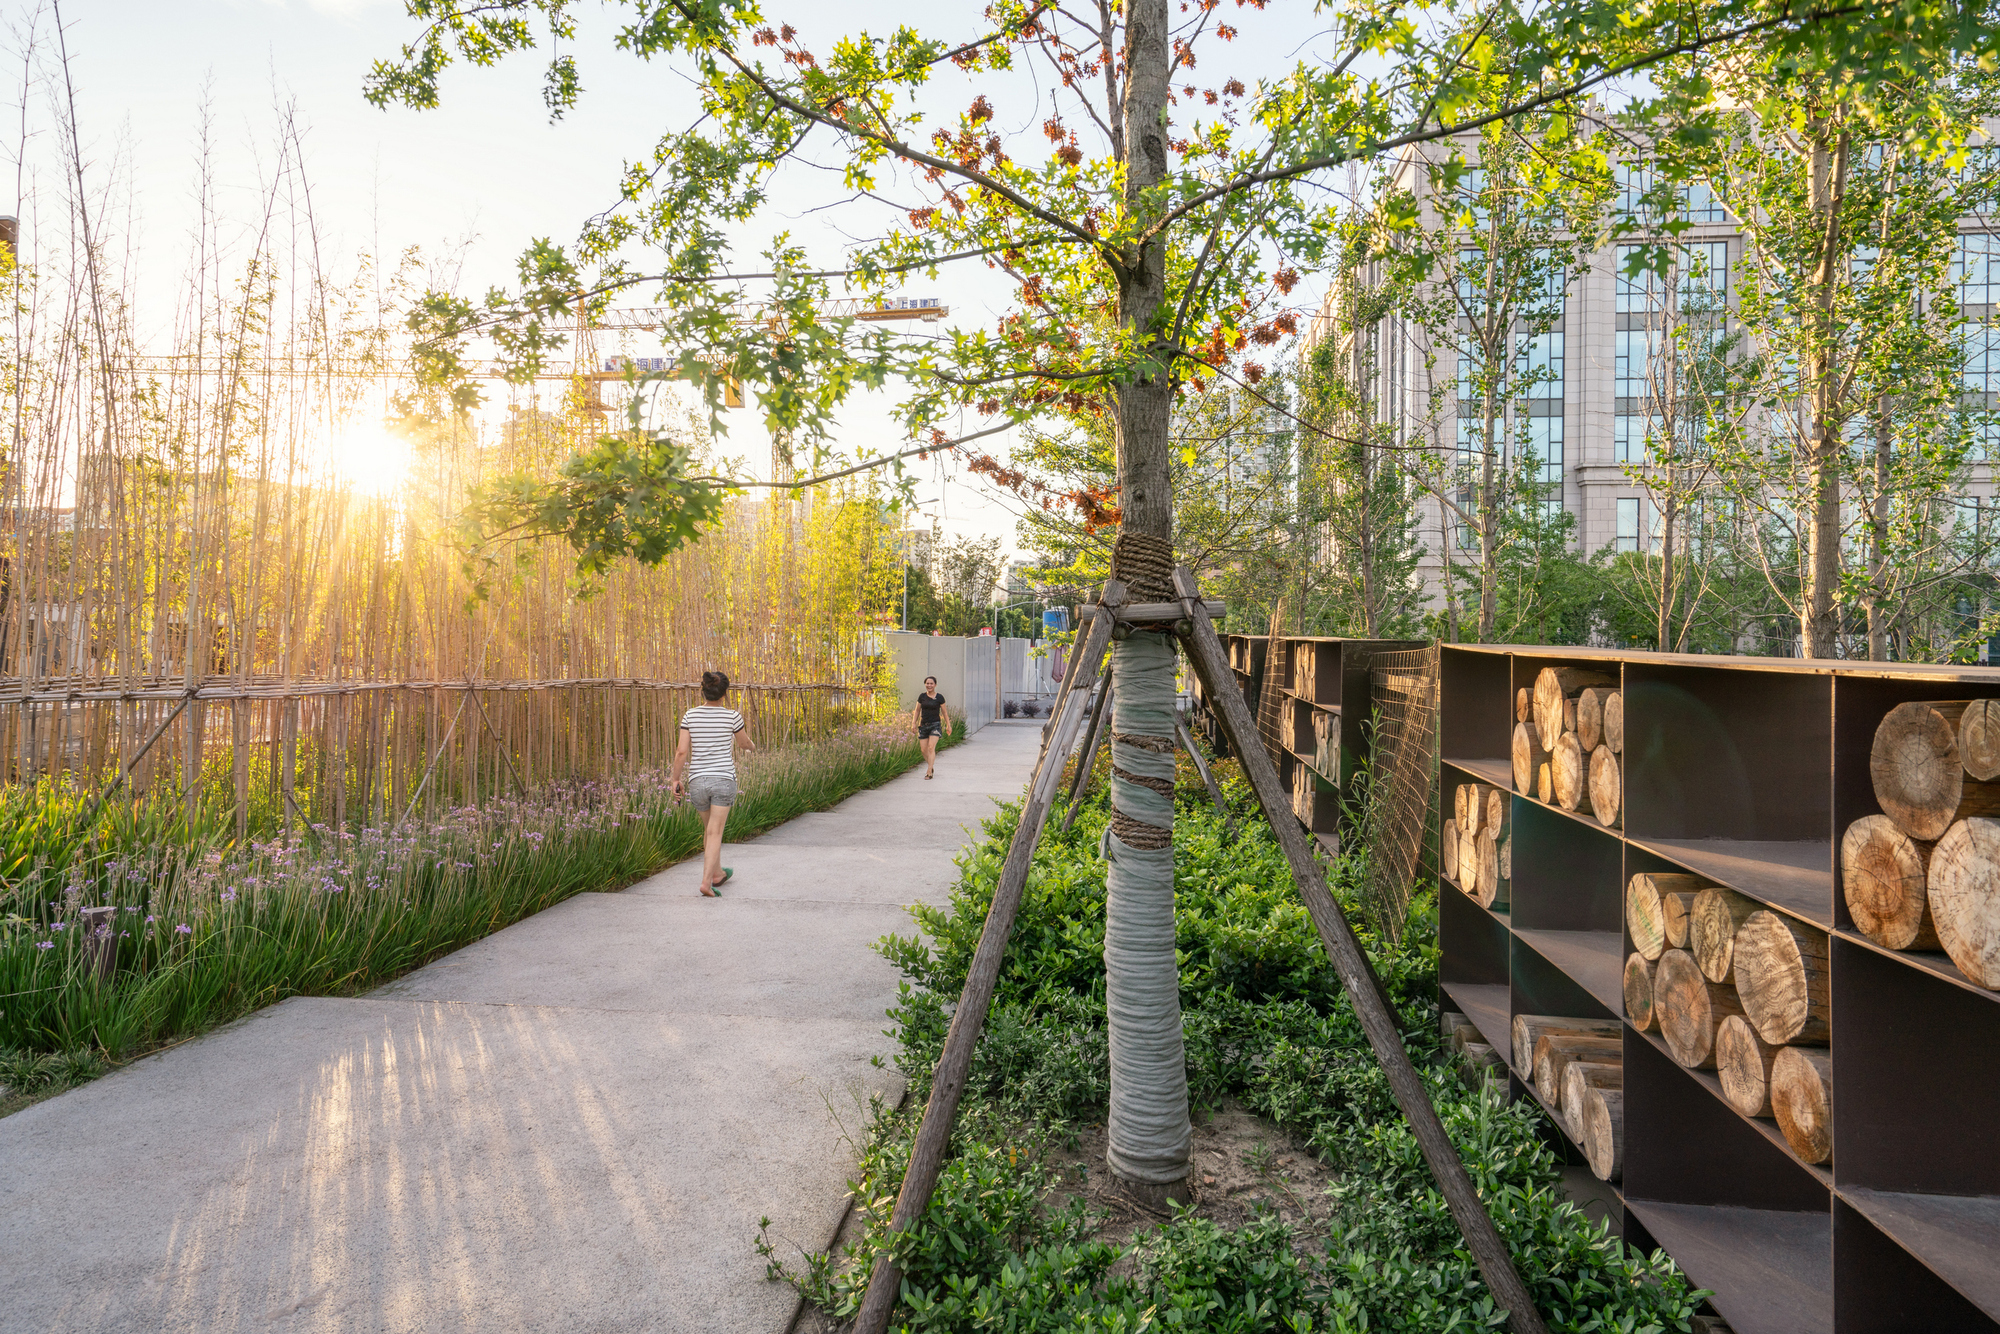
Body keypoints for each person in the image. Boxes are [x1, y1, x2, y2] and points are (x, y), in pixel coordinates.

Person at [671, 670, 753, 896]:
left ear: (703, 690)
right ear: (724, 694)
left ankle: (717, 873)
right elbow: (744, 743)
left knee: (709, 831)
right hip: (723, 779)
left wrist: (675, 779)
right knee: (715, 832)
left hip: (697, 781)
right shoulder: (732, 716)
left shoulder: (690, 716)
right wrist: (752, 747)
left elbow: (681, 752)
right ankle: (706, 882)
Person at [911, 675, 950, 779]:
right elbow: (917, 711)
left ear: (935, 685)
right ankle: (931, 765)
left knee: (931, 747)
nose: (929, 685)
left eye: (931, 683)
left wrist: (948, 725)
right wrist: (913, 723)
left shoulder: (940, 697)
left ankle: (929, 771)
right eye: (927, 683)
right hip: (923, 725)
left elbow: (945, 713)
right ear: (925, 684)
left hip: (935, 725)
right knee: (923, 750)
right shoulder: (922, 697)